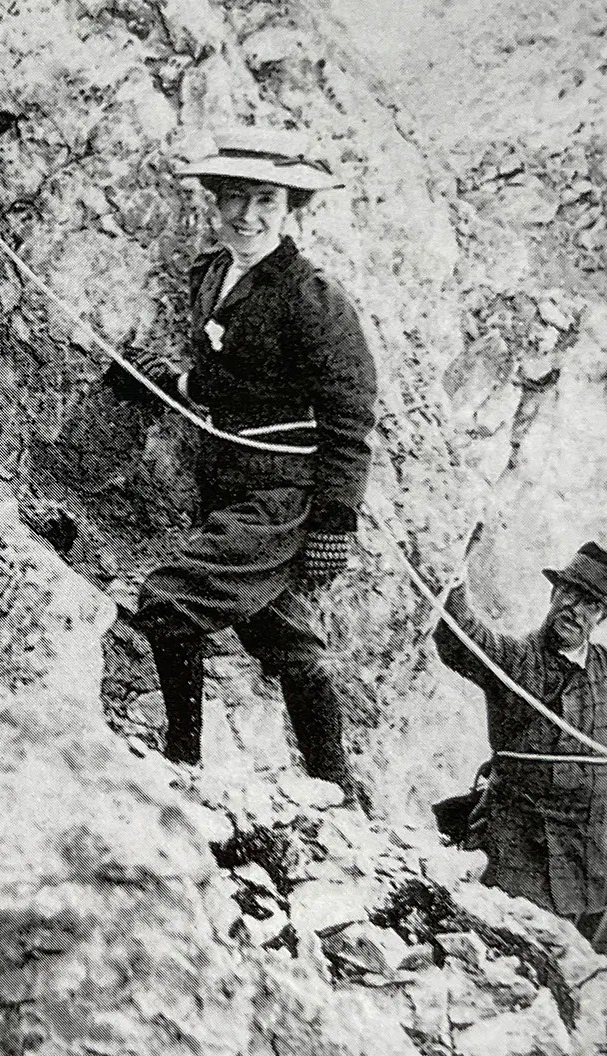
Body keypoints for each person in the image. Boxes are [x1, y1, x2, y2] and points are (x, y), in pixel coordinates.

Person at [111, 127, 378, 803]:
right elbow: (225, 383)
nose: (248, 216)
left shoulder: (313, 297)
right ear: (214, 201)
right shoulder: (212, 274)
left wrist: (333, 525)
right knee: (284, 639)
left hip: (280, 497)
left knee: (168, 604)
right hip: (226, 483)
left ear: (291, 209)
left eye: (265, 200)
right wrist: (164, 383)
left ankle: (183, 765)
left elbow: (350, 421)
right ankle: (336, 789)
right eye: (234, 198)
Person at [434, 542, 607, 958]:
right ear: (554, 594)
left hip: (596, 867)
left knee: (594, 984)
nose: (575, 609)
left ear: (603, 616)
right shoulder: (513, 660)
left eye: (591, 604)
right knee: (517, 979)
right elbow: (461, 639)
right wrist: (452, 570)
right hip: (518, 862)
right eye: (570, 594)